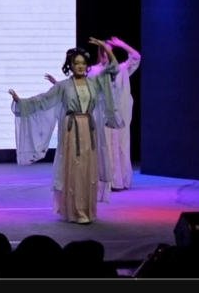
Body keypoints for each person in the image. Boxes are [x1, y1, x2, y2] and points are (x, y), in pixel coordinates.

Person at [9, 38, 121, 224]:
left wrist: (103, 46)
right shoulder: (64, 86)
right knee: (74, 169)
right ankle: (75, 211)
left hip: (89, 129)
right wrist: (21, 102)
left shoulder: (94, 82)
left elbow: (114, 67)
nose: (80, 66)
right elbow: (43, 100)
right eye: (76, 63)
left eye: (83, 63)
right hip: (71, 130)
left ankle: (86, 210)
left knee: (87, 170)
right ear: (70, 65)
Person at [46, 36, 141, 190]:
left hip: (119, 115)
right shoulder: (93, 71)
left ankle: (119, 181)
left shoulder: (120, 69)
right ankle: (104, 183)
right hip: (101, 115)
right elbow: (78, 87)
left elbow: (136, 57)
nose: (105, 54)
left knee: (121, 146)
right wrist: (57, 84)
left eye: (108, 51)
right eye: (102, 51)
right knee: (104, 146)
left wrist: (121, 44)